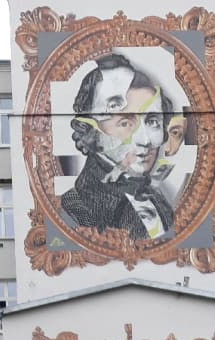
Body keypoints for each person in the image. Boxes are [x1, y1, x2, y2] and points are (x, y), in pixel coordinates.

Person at [61, 53, 176, 240]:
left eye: (153, 121)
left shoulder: (160, 200)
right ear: (89, 130)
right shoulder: (75, 211)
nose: (145, 140)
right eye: (125, 123)